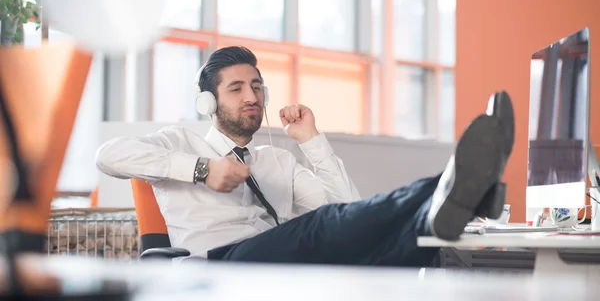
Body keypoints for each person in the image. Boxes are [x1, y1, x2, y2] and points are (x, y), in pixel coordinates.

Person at [96, 46, 514, 266]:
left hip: (279, 259)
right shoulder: (181, 143)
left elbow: (348, 211)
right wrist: (203, 169)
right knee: (316, 228)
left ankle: (457, 200)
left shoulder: (276, 161)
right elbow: (108, 155)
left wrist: (312, 140)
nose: (252, 97)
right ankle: (457, 185)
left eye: (257, 86)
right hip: (218, 264)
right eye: (237, 88)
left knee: (402, 251)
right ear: (208, 102)